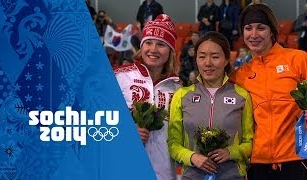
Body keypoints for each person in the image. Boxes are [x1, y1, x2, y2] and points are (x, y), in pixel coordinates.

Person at [229, 4, 307, 180]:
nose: (254, 34)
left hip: (297, 158)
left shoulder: (298, 60)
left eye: (261, 28)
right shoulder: (239, 76)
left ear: (272, 31)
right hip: (258, 163)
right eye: (248, 28)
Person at [168, 31, 254, 179]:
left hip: (231, 176)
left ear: (227, 59)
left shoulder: (241, 96)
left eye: (215, 57)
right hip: (192, 176)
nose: (208, 63)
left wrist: (230, 152)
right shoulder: (182, 96)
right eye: (202, 57)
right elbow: (173, 144)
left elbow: (249, 142)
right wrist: (192, 157)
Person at [114, 14, 180, 180]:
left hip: (164, 174)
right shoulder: (119, 78)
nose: (153, 49)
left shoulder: (178, 88)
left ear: (170, 51)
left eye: (161, 44)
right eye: (148, 42)